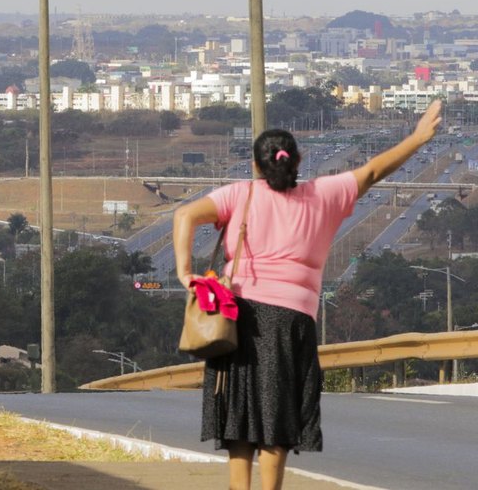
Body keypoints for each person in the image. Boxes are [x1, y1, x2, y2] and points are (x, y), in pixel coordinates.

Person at [172, 100, 442, 490]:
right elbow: (374, 170)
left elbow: (184, 216)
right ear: (298, 160)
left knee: (239, 408)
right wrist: (417, 138)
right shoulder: (325, 194)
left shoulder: (240, 194)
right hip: (292, 320)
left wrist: (185, 274)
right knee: (277, 411)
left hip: (238, 314)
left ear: (255, 166)